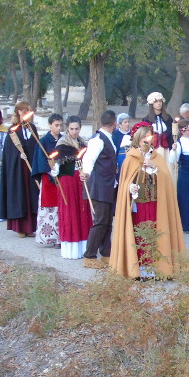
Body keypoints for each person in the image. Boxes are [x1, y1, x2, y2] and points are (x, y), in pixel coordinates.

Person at [110, 121, 185, 279]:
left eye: (148, 136)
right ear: (137, 138)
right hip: (139, 206)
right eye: (143, 136)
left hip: (156, 205)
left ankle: (158, 268)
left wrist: (154, 168)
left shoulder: (156, 158)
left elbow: (166, 181)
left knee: (156, 234)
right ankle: (140, 270)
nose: (146, 139)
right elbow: (125, 184)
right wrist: (130, 189)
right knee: (140, 236)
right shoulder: (130, 158)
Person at [50, 116, 93, 259]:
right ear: (67, 129)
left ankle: (84, 246)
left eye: (77, 129)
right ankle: (71, 247)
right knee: (71, 212)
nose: (74, 132)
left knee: (82, 210)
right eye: (72, 129)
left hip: (81, 181)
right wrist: (55, 169)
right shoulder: (62, 145)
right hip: (67, 182)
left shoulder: (82, 143)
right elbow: (57, 167)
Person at [81, 110, 118, 269]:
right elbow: (88, 158)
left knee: (108, 222)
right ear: (114, 123)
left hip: (108, 186)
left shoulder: (108, 138)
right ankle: (89, 256)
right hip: (98, 187)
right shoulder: (98, 139)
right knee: (100, 222)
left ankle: (106, 254)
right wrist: (86, 173)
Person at [0, 102, 40, 237]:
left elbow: (37, 147)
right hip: (18, 170)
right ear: (18, 112)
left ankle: (31, 227)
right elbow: (9, 154)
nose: (25, 113)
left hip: (31, 168)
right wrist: (19, 155)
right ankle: (20, 228)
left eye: (27, 110)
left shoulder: (32, 128)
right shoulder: (13, 130)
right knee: (20, 195)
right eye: (22, 111)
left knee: (31, 195)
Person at [32, 113, 63, 247]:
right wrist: (50, 171)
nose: (59, 128)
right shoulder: (44, 141)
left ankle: (62, 236)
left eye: (61, 125)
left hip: (62, 177)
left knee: (62, 208)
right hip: (49, 179)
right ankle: (50, 237)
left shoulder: (63, 140)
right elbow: (40, 160)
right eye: (56, 125)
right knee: (51, 209)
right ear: (50, 125)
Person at [144, 92, 175, 164]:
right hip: (153, 150)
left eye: (160, 101)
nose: (159, 103)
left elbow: (171, 134)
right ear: (151, 104)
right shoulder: (147, 119)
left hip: (166, 150)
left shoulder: (168, 118)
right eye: (156, 101)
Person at [112, 112, 132, 181]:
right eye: (125, 122)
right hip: (120, 160)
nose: (127, 124)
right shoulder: (115, 134)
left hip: (131, 159)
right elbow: (114, 150)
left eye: (128, 122)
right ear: (119, 124)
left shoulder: (133, 133)